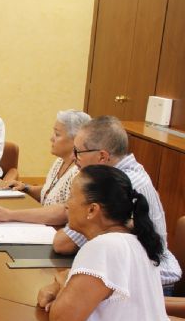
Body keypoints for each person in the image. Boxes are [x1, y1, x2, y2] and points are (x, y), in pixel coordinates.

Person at [17, 165, 174, 321]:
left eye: (71, 197)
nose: (66, 205)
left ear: (92, 210)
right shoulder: (133, 237)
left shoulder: (103, 248)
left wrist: (61, 284)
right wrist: (65, 283)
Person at [53, 116, 181, 293]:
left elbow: (63, 244)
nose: (74, 158)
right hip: (134, 274)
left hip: (148, 284)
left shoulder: (115, 186)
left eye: (78, 152)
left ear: (102, 156)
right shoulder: (127, 171)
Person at [2, 110, 90, 205]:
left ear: (76, 139)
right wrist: (25, 187)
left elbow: (63, 213)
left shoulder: (78, 172)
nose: (51, 138)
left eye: (57, 134)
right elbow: (49, 192)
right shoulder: (59, 161)